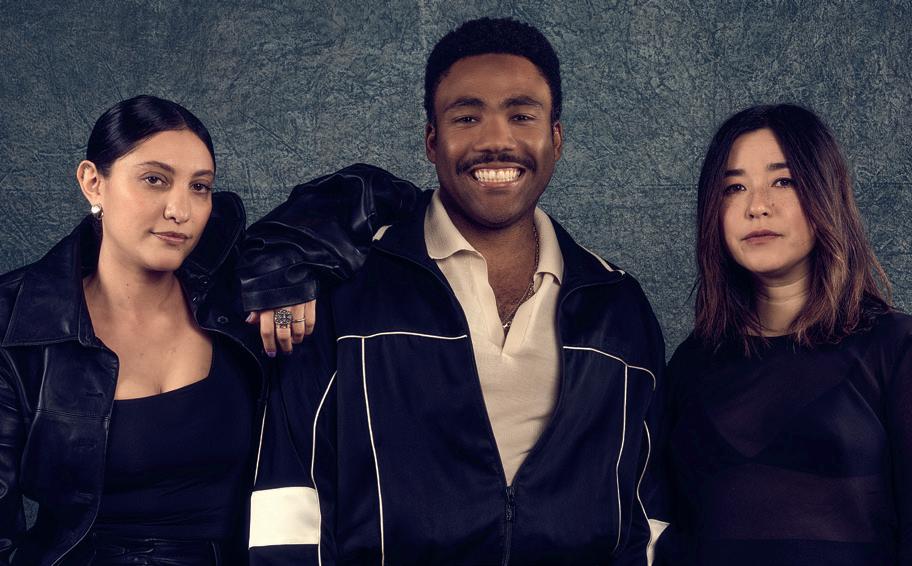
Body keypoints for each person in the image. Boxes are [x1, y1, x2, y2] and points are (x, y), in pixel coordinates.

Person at [244, 17, 670, 565]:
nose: (496, 141)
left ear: (556, 138)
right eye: (467, 117)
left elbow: (647, 511)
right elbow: (288, 497)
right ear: (432, 141)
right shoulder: (346, 290)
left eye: (522, 115)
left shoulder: (618, 306)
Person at [0, 95, 311, 565]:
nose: (180, 210)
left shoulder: (236, 299)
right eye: (154, 179)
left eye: (200, 187)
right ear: (93, 182)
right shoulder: (16, 320)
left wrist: (292, 271)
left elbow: (375, 193)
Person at [655, 104, 912, 566]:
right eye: (734, 187)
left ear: (825, 193)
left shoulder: (901, 350)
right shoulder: (691, 364)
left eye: (783, 181)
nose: (757, 206)